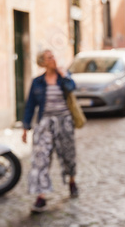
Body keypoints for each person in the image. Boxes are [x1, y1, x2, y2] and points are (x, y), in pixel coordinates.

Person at [22, 49, 79, 213]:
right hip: (45, 123)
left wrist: (64, 74)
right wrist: (26, 128)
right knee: (41, 159)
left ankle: (72, 181)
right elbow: (30, 106)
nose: (53, 59)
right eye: (49, 58)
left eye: (53, 56)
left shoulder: (63, 77)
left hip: (64, 122)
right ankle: (41, 196)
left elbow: (72, 88)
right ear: (43, 62)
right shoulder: (37, 82)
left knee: (69, 156)